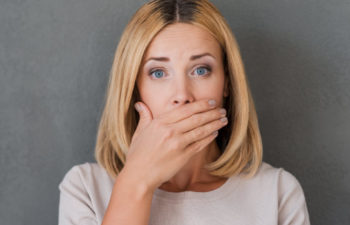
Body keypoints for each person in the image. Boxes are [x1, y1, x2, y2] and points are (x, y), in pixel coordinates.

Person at [58, 0, 311, 224]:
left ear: (227, 84)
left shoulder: (277, 193)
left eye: (201, 70)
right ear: (134, 91)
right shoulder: (86, 188)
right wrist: (136, 182)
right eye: (158, 73)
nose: (182, 95)